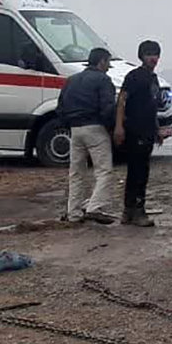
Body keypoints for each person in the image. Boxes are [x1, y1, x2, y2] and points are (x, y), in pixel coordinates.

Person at [58, 47, 117, 224]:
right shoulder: (103, 80)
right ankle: (95, 207)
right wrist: (113, 128)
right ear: (101, 61)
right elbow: (107, 108)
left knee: (76, 172)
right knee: (104, 170)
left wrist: (68, 125)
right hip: (95, 128)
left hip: (75, 130)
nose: (109, 66)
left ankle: (74, 213)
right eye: (108, 62)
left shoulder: (71, 80)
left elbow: (60, 107)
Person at [114, 40, 163, 227]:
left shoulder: (153, 78)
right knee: (137, 172)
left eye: (156, 54)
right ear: (141, 56)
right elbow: (122, 101)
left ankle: (130, 211)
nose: (153, 58)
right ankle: (135, 211)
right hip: (135, 130)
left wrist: (157, 128)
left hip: (148, 130)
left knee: (141, 170)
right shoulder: (134, 76)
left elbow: (152, 106)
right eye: (149, 54)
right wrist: (119, 127)